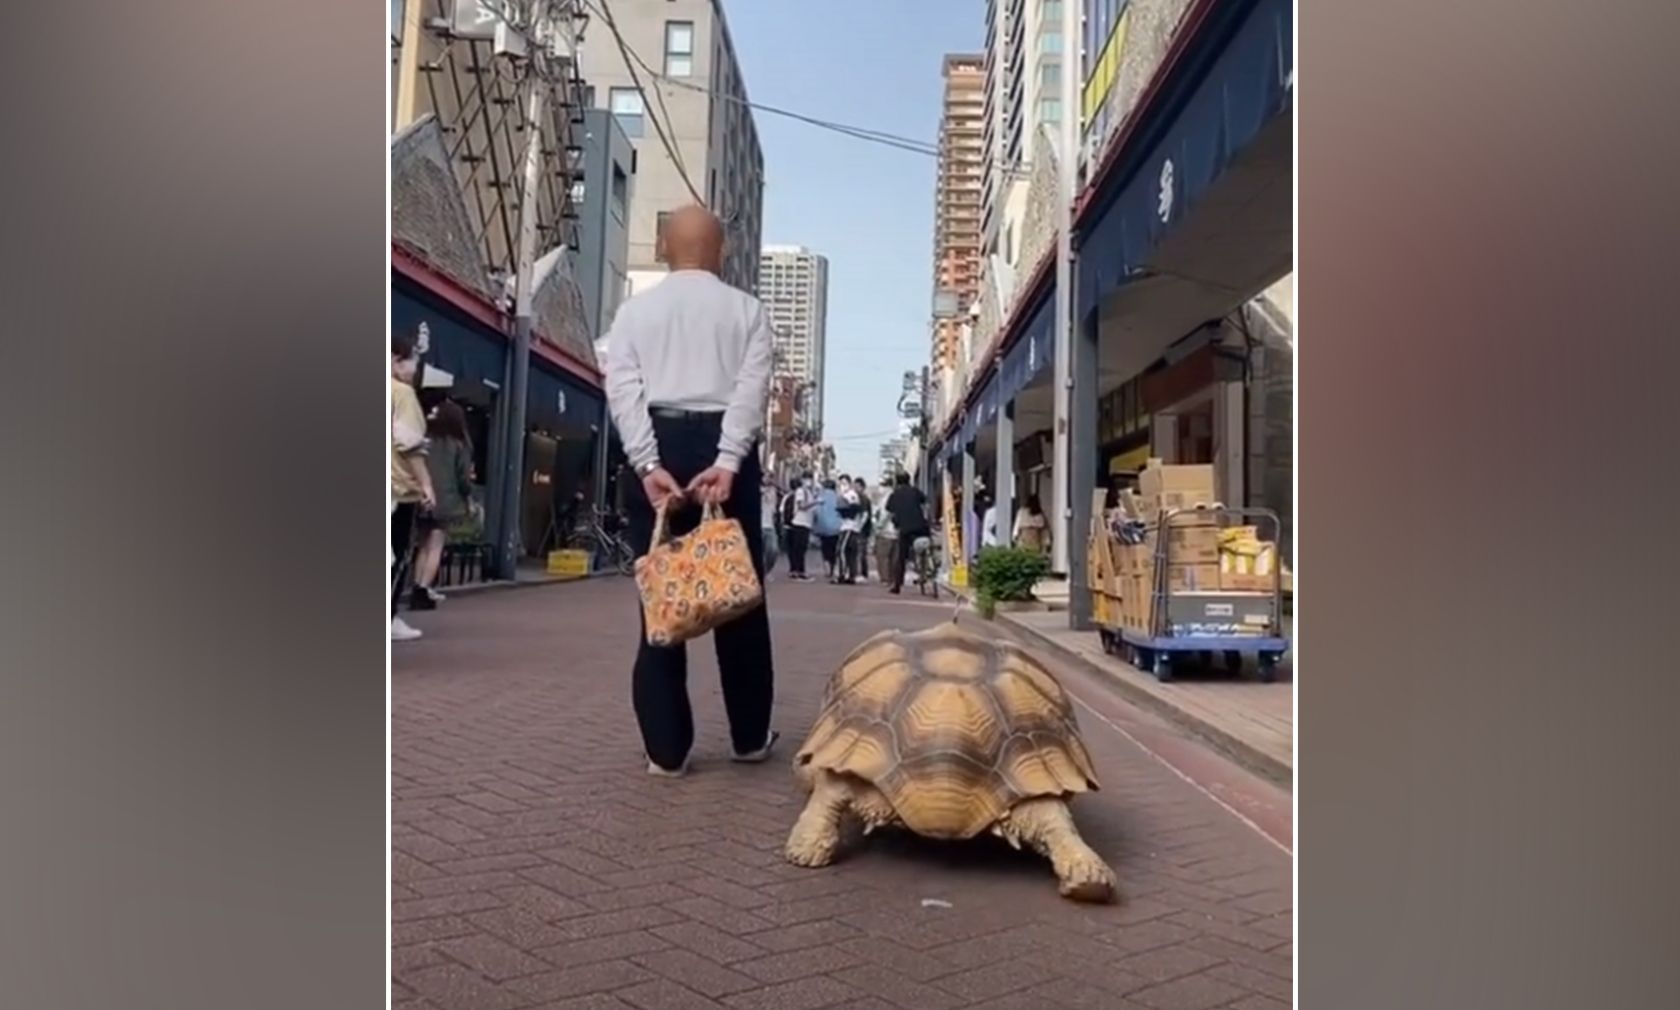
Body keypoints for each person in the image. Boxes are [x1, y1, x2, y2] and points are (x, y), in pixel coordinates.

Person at [603, 205, 778, 777]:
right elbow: (752, 391)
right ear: (721, 251)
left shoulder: (634, 312)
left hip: (658, 441)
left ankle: (666, 751)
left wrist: (646, 461)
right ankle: (749, 738)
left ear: (661, 248)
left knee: (660, 601)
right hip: (725, 448)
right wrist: (728, 461)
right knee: (740, 598)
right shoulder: (747, 311)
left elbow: (622, 389)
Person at [410, 399, 475, 611]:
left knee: (422, 545)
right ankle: (423, 589)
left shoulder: (425, 439)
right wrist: (468, 496)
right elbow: (463, 477)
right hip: (446, 500)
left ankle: (416, 586)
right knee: (435, 546)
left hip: (421, 496)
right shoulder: (459, 443)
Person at [391, 329, 434, 641]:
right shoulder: (402, 394)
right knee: (396, 555)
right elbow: (409, 444)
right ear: (396, 360)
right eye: (412, 363)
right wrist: (426, 485)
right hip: (396, 489)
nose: (414, 370)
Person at [884, 472, 930, 594]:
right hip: (921, 527)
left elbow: (889, 511)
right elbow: (926, 503)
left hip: (904, 529)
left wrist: (896, 522)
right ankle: (925, 573)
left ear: (897, 482)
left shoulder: (894, 495)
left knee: (901, 557)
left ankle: (897, 585)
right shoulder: (915, 491)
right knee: (924, 550)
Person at [783, 473, 816, 580]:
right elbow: (801, 506)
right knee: (798, 548)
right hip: (799, 522)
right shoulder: (801, 491)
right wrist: (815, 503)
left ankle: (799, 570)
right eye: (807, 479)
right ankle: (797, 570)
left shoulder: (809, 492)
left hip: (806, 523)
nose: (809, 481)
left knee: (801, 548)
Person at [835, 476, 866, 584]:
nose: (842, 486)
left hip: (849, 527)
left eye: (844, 483)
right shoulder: (845, 495)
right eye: (840, 484)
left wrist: (843, 511)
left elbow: (854, 510)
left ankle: (842, 574)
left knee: (841, 550)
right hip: (848, 526)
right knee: (850, 553)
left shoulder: (851, 495)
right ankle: (851, 575)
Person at [813, 477, 842, 580]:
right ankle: (833, 568)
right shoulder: (838, 497)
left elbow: (815, 511)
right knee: (833, 549)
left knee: (825, 548)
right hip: (836, 527)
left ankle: (827, 568)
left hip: (823, 526)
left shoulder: (820, 497)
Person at [873, 480, 899, 589]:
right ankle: (893, 578)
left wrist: (879, 527)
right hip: (897, 532)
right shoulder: (897, 497)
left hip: (886, 532)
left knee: (883, 557)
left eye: (881, 486)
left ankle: (885, 578)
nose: (879, 489)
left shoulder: (885, 499)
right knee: (894, 558)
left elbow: (885, 515)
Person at [760, 476, 780, 577]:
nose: (770, 479)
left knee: (773, 550)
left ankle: (766, 570)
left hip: (769, 526)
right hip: (758, 525)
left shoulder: (773, 492)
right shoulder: (757, 490)